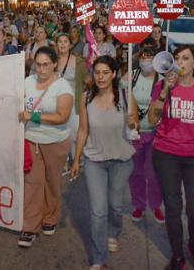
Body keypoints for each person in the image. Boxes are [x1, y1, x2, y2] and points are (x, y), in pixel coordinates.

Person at [147, 45, 194, 270]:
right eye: (177, 58)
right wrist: (163, 93)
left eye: (186, 58)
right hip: (166, 155)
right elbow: (152, 119)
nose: (180, 62)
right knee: (172, 207)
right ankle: (177, 254)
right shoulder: (162, 86)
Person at [70, 55, 139, 270]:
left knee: (115, 205)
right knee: (98, 210)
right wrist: (77, 158)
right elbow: (83, 130)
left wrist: (133, 122)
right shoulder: (86, 97)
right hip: (94, 161)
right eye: (97, 72)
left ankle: (113, 231)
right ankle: (99, 259)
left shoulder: (127, 96)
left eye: (105, 73)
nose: (100, 77)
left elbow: (135, 127)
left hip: (121, 160)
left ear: (114, 74)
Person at [17, 46, 74, 248]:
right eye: (38, 65)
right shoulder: (27, 82)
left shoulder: (63, 86)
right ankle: (29, 227)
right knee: (33, 183)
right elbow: (15, 103)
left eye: (46, 65)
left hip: (55, 142)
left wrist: (32, 116)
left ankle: (50, 218)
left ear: (54, 64)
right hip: (31, 141)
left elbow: (62, 117)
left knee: (52, 182)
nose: (41, 69)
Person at [122, 46, 165, 224]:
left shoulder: (162, 80)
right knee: (136, 172)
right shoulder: (131, 76)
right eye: (143, 56)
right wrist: (122, 81)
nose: (146, 59)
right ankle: (139, 205)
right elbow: (122, 97)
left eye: (150, 56)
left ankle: (156, 205)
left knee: (153, 173)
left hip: (156, 133)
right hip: (135, 133)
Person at [54, 33, 88, 172]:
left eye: (65, 41)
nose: (62, 44)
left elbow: (86, 80)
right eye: (60, 42)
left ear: (69, 44)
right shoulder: (52, 61)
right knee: (60, 133)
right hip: (57, 104)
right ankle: (64, 161)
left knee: (74, 133)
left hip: (75, 104)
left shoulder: (78, 61)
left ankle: (76, 158)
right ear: (56, 45)